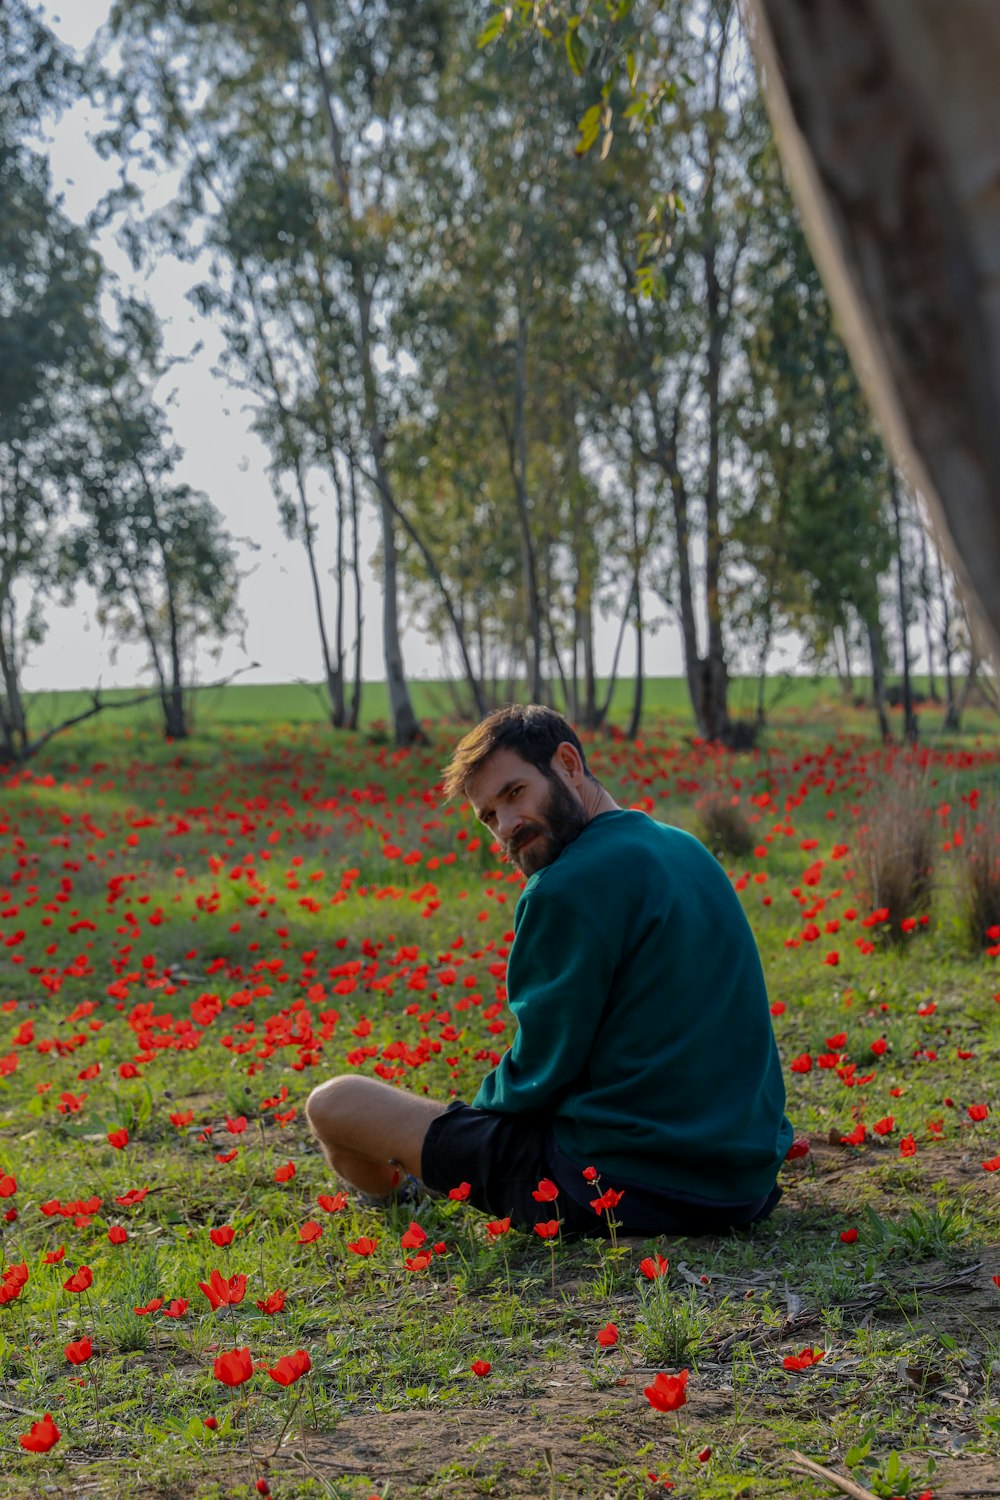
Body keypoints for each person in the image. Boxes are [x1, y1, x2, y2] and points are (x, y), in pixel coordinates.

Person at [306, 704, 793, 1237]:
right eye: (489, 817)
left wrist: (467, 1133)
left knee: (334, 1103)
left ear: (568, 764)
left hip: (621, 1183)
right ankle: (415, 1188)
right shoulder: (687, 849)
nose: (508, 827)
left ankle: (403, 1200)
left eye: (514, 793)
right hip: (743, 1183)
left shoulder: (566, 888)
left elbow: (537, 1076)